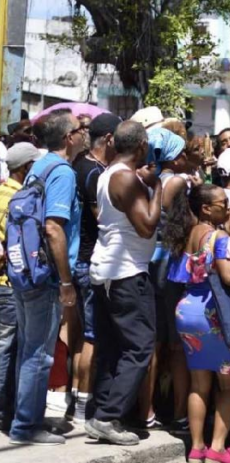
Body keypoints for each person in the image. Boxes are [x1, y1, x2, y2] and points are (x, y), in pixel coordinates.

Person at [165, 184, 230, 463]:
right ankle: (217, 448)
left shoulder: (186, 234)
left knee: (199, 385)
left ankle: (196, 448)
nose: (229, 208)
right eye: (223, 204)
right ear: (206, 208)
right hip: (216, 314)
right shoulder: (219, 237)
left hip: (187, 311)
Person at [8, 110, 85, 446]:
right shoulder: (63, 172)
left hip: (25, 270)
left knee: (29, 349)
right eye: (80, 129)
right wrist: (66, 282)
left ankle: (25, 417)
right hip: (46, 276)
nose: (85, 133)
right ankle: (26, 426)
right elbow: (53, 226)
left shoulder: (39, 166)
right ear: (69, 137)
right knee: (39, 354)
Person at [86, 120, 162, 446]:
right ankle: (107, 417)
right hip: (127, 273)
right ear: (142, 145)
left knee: (114, 347)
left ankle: (100, 413)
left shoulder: (107, 174)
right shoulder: (125, 178)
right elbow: (146, 226)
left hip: (106, 271)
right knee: (140, 346)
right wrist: (157, 187)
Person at [69, 113, 121, 422]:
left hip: (84, 258)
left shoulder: (87, 166)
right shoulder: (91, 173)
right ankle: (84, 405)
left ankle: (75, 398)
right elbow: (103, 219)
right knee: (92, 336)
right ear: (110, 139)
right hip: (89, 261)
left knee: (82, 334)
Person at [138, 127, 191, 430]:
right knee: (176, 345)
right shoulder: (175, 183)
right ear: (173, 157)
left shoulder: (140, 178)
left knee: (152, 343)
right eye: (181, 152)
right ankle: (181, 413)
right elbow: (183, 225)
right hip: (169, 268)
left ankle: (146, 410)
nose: (186, 157)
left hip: (146, 261)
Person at [0, 143, 41, 434]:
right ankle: (5, 412)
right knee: (9, 347)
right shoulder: (19, 198)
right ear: (25, 167)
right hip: (8, 284)